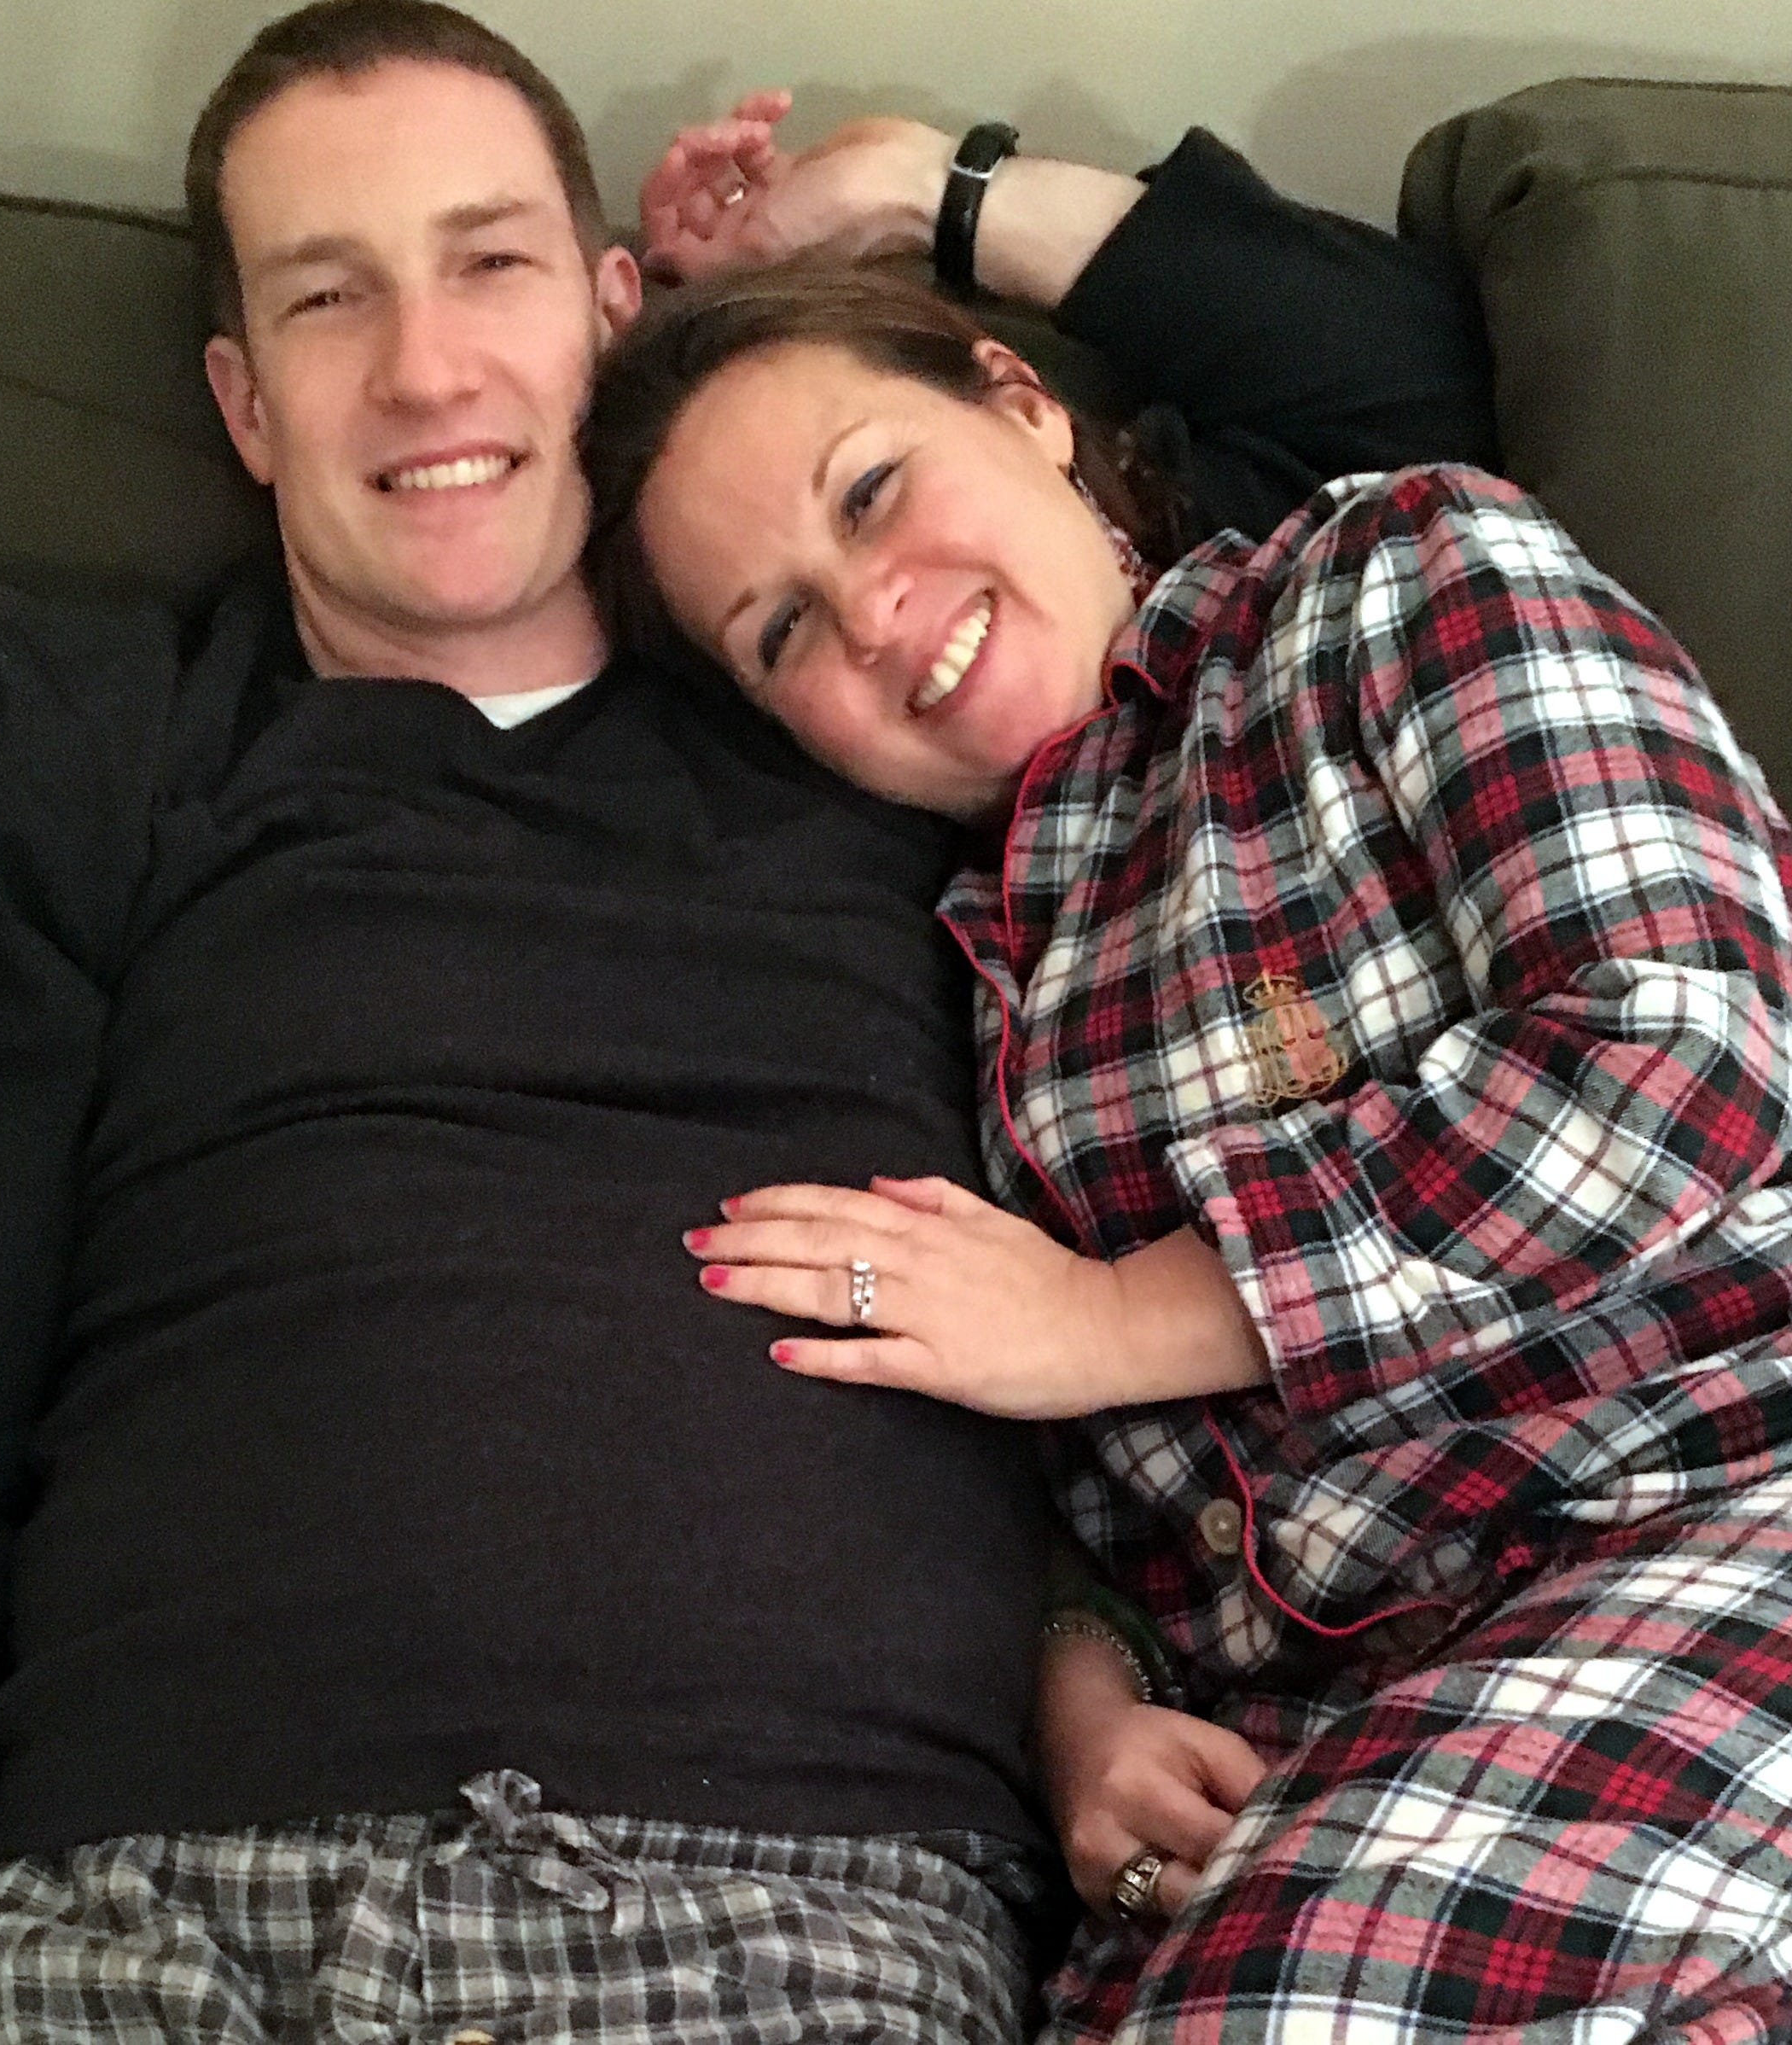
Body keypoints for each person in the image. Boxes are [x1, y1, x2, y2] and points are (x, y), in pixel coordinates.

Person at [0, 8, 1500, 2042]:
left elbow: (1401, 406)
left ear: (614, 310)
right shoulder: (70, 741)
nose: (426, 368)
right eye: (328, 297)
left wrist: (918, 196)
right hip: (169, 1909)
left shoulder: (851, 707)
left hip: (804, 1920)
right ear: (243, 402)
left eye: (493, 263)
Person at [579, 261, 1792, 2041]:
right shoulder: (935, 979)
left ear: (1022, 406)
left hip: (1709, 1496)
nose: (876, 613)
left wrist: (1112, 1315)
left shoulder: (1385, 574)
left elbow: (1692, 1047)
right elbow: (1014, 1477)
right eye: (782, 632)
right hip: (1336, 1734)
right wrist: (1085, 1706)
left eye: (872, 491)